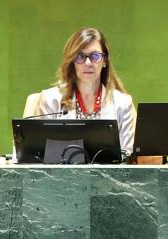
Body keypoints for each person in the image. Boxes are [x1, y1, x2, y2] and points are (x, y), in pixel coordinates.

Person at [37, 27, 136, 157]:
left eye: (95, 56)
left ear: (105, 61)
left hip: (110, 176)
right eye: (80, 57)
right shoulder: (51, 99)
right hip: (61, 176)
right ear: (72, 62)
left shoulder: (123, 104)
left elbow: (127, 158)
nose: (88, 63)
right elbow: (41, 155)